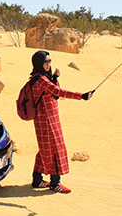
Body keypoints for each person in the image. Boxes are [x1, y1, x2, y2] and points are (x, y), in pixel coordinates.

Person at [29, 50, 93, 194]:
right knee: (55, 149)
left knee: (45, 149)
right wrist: (81, 96)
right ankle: (55, 183)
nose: (48, 64)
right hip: (46, 120)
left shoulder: (43, 78)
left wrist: (55, 77)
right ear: (39, 63)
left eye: (50, 61)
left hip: (48, 118)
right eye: (46, 62)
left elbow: (53, 91)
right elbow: (58, 92)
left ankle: (37, 179)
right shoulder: (40, 79)